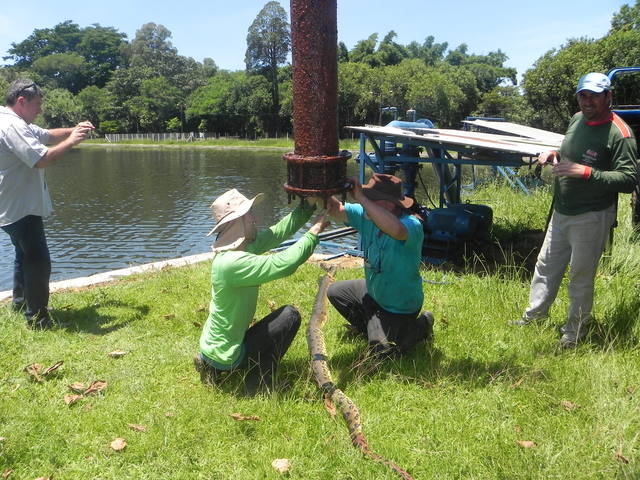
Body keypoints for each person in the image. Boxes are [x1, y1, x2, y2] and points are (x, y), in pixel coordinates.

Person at [513, 72, 638, 348]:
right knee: (546, 266)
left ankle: (573, 333)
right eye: (583, 95)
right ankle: (534, 317)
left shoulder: (621, 134)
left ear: (609, 96)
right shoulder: (577, 119)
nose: (588, 100)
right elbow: (569, 152)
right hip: (563, 210)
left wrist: (587, 172)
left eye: (594, 95)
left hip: (592, 215)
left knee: (580, 277)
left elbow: (629, 180)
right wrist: (554, 155)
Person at [194, 188, 329, 395]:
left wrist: (307, 205)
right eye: (249, 214)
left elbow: (278, 232)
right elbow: (284, 263)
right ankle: (259, 383)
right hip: (226, 355)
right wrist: (314, 231)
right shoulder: (232, 263)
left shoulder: (239, 249)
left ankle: (209, 366)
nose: (254, 218)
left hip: (212, 348)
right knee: (289, 316)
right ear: (238, 221)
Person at [0, 79, 95, 329]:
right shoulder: (12, 126)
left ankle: (21, 303)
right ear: (22, 102)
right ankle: (38, 320)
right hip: (21, 206)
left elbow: (47, 135)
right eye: (37, 105)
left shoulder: (18, 122)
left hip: (14, 204)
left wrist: (74, 129)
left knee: (24, 256)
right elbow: (42, 158)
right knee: (38, 261)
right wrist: (72, 141)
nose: (40, 110)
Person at [324, 174, 433, 358]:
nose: (367, 204)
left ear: (389, 204)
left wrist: (362, 198)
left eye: (372, 200)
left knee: (383, 354)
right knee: (336, 292)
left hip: (399, 307)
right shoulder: (368, 216)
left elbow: (397, 231)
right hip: (374, 295)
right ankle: (372, 328)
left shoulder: (412, 224)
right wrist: (322, 191)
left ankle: (421, 325)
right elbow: (337, 210)